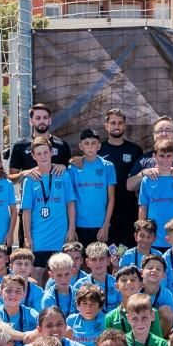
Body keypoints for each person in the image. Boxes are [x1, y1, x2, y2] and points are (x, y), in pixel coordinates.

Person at [19, 137, 77, 280]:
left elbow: (70, 204)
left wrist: (71, 229)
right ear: (33, 156)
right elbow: (26, 210)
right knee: (37, 273)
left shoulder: (63, 174)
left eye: (45, 152)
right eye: (38, 154)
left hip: (60, 233)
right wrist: (27, 236)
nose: (43, 156)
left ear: (52, 152)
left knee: (58, 272)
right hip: (39, 234)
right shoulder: (30, 179)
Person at [93, 106, 145, 248]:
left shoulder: (135, 150)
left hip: (128, 211)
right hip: (103, 211)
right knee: (104, 252)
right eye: (113, 123)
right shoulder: (98, 149)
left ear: (124, 125)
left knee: (125, 251)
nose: (117, 126)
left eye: (120, 123)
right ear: (106, 125)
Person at [67, 128, 116, 246]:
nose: (90, 147)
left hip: (100, 225)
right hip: (79, 224)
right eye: (86, 143)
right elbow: (70, 200)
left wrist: (106, 225)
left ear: (99, 146)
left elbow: (111, 198)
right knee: (80, 261)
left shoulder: (107, 166)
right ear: (80, 146)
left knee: (100, 261)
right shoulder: (73, 168)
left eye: (93, 143)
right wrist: (72, 227)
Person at [8, 103, 72, 175]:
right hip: (30, 186)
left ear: (49, 120)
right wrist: (24, 173)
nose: (42, 121)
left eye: (45, 118)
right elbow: (12, 177)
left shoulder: (62, 145)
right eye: (38, 118)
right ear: (31, 121)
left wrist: (64, 166)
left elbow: (71, 172)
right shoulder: (20, 146)